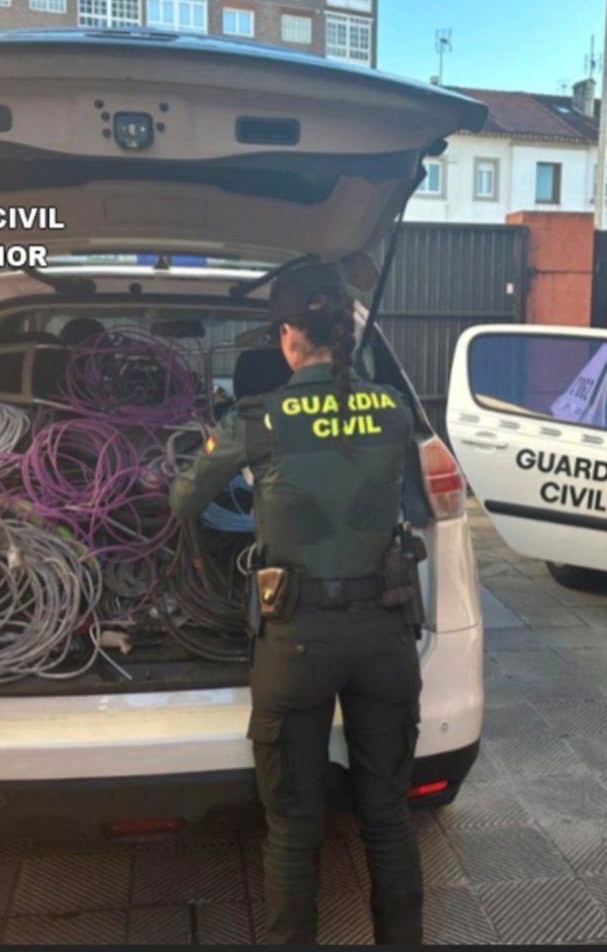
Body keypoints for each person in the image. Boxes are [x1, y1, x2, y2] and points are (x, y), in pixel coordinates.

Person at [169, 261, 424, 946]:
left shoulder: (260, 419)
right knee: (389, 819)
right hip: (386, 639)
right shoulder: (395, 410)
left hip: (297, 643)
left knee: (292, 830)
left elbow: (184, 500)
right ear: (344, 334)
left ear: (287, 335)